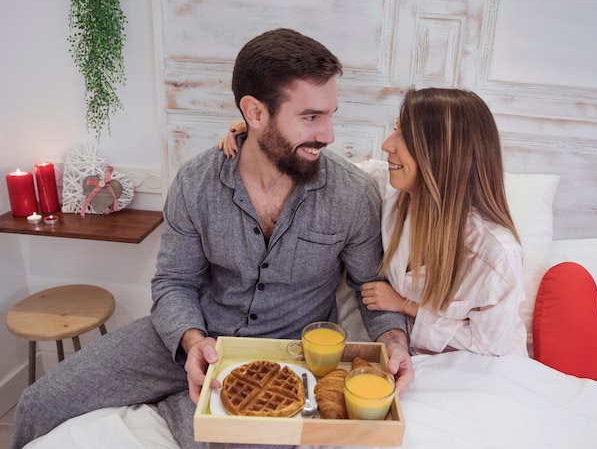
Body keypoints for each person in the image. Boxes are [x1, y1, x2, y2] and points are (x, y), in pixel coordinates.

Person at [11, 28, 413, 449]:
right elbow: (173, 282)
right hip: (191, 338)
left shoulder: (352, 194)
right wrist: (191, 340)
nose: (329, 134)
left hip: (285, 360)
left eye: (331, 114)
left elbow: (373, 291)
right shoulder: (195, 183)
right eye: (311, 117)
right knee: (39, 401)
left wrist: (393, 342)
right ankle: (173, 393)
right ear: (254, 113)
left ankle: (177, 407)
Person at [220, 87, 528, 357]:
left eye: (404, 136)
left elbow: (489, 345)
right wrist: (263, 139)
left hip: (478, 368)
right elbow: (321, 171)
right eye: (395, 130)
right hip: (405, 355)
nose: (387, 145)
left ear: (442, 155)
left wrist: (406, 305)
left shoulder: (496, 255)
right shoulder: (381, 187)